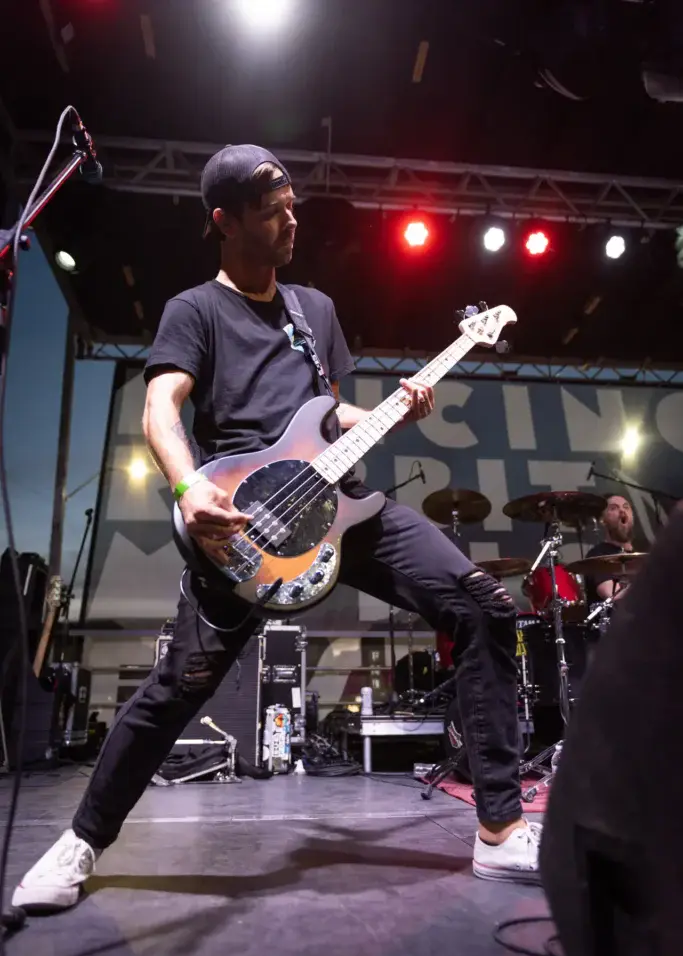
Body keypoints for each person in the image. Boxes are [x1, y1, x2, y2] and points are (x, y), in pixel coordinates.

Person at [12, 144, 541, 914]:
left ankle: (498, 828)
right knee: (174, 691)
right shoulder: (195, 310)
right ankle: (81, 841)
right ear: (224, 222)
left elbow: (329, 416)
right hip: (245, 522)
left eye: (293, 206)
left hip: (344, 507)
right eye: (272, 211)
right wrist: (189, 487)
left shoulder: (313, 310)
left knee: (483, 606)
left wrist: (394, 410)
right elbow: (159, 408)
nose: (291, 221)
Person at [583, 494, 637, 608]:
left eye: (626, 507)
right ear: (603, 520)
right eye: (614, 508)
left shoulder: (641, 556)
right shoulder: (598, 555)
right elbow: (612, 594)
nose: (622, 511)